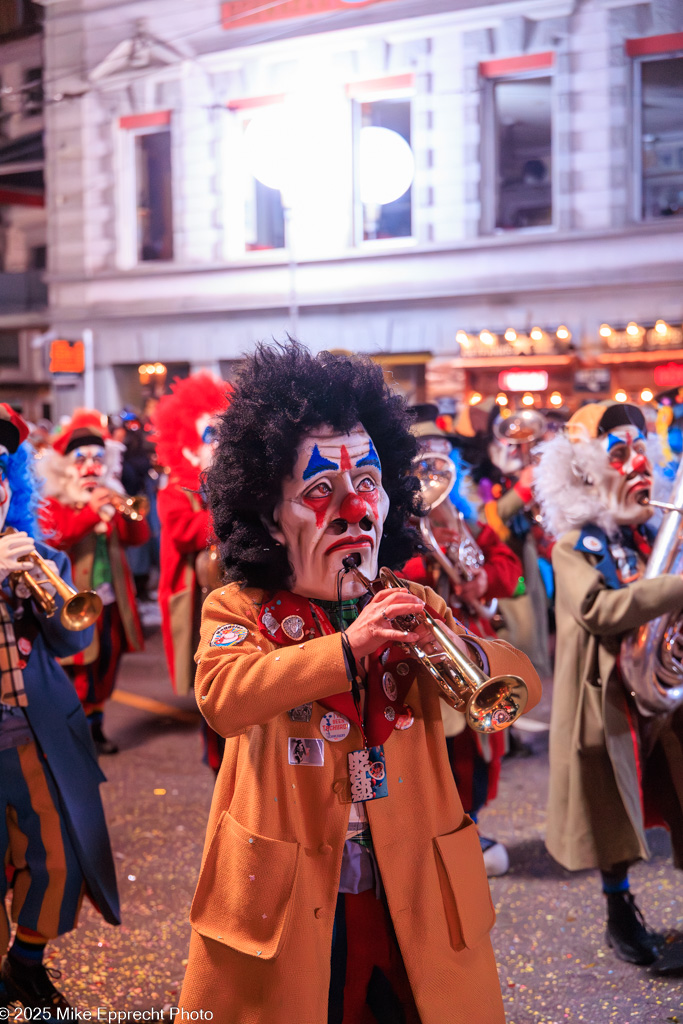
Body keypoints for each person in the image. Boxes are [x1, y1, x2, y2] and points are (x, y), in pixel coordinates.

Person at [179, 342, 541, 1023]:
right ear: (265, 511)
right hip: (293, 894)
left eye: (368, 481)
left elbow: (522, 688)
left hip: (413, 887)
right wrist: (345, 649)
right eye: (320, 490)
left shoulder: (409, 595)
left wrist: (456, 646)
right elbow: (222, 699)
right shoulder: (238, 608)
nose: (355, 508)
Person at [535, 400, 683, 974]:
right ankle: (620, 915)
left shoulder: (647, 537)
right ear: (585, 471)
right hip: (607, 701)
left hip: (661, 696)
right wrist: (675, 589)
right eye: (618, 453)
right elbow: (599, 610)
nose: (636, 464)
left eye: (639, 450)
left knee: (670, 791)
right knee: (613, 813)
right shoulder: (575, 547)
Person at [0, 405, 120, 1013]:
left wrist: (43, 591)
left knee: (58, 858)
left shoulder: (39, 556)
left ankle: (25, 963)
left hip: (35, 737)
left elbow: (75, 642)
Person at [402, 405, 525, 877]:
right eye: (423, 453)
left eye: (440, 451)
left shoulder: (465, 514)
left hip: (474, 644)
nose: (434, 464)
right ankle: (437, 836)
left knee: (479, 750)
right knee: (438, 753)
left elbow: (508, 568)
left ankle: (469, 826)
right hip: (428, 653)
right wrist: (431, 572)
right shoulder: (401, 522)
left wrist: (481, 581)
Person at [37, 409, 149, 755]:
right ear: (64, 465)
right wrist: (89, 513)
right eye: (81, 458)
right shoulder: (55, 501)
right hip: (74, 600)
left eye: (98, 459)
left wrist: (121, 511)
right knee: (78, 667)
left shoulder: (109, 496)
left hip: (111, 599)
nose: (90, 467)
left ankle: (95, 726)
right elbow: (55, 538)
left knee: (107, 664)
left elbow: (138, 537)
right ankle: (73, 731)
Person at [152, 373, 230, 771]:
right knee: (211, 680)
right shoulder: (175, 488)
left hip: (236, 596)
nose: (218, 442)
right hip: (199, 600)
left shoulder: (231, 480)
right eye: (210, 432)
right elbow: (184, 533)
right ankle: (216, 759)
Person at [451, 399, 551, 678]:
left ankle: (537, 675)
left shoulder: (497, 462)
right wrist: (520, 491)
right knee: (521, 622)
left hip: (522, 549)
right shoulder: (468, 470)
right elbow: (484, 517)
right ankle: (526, 679)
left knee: (535, 612)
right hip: (500, 555)